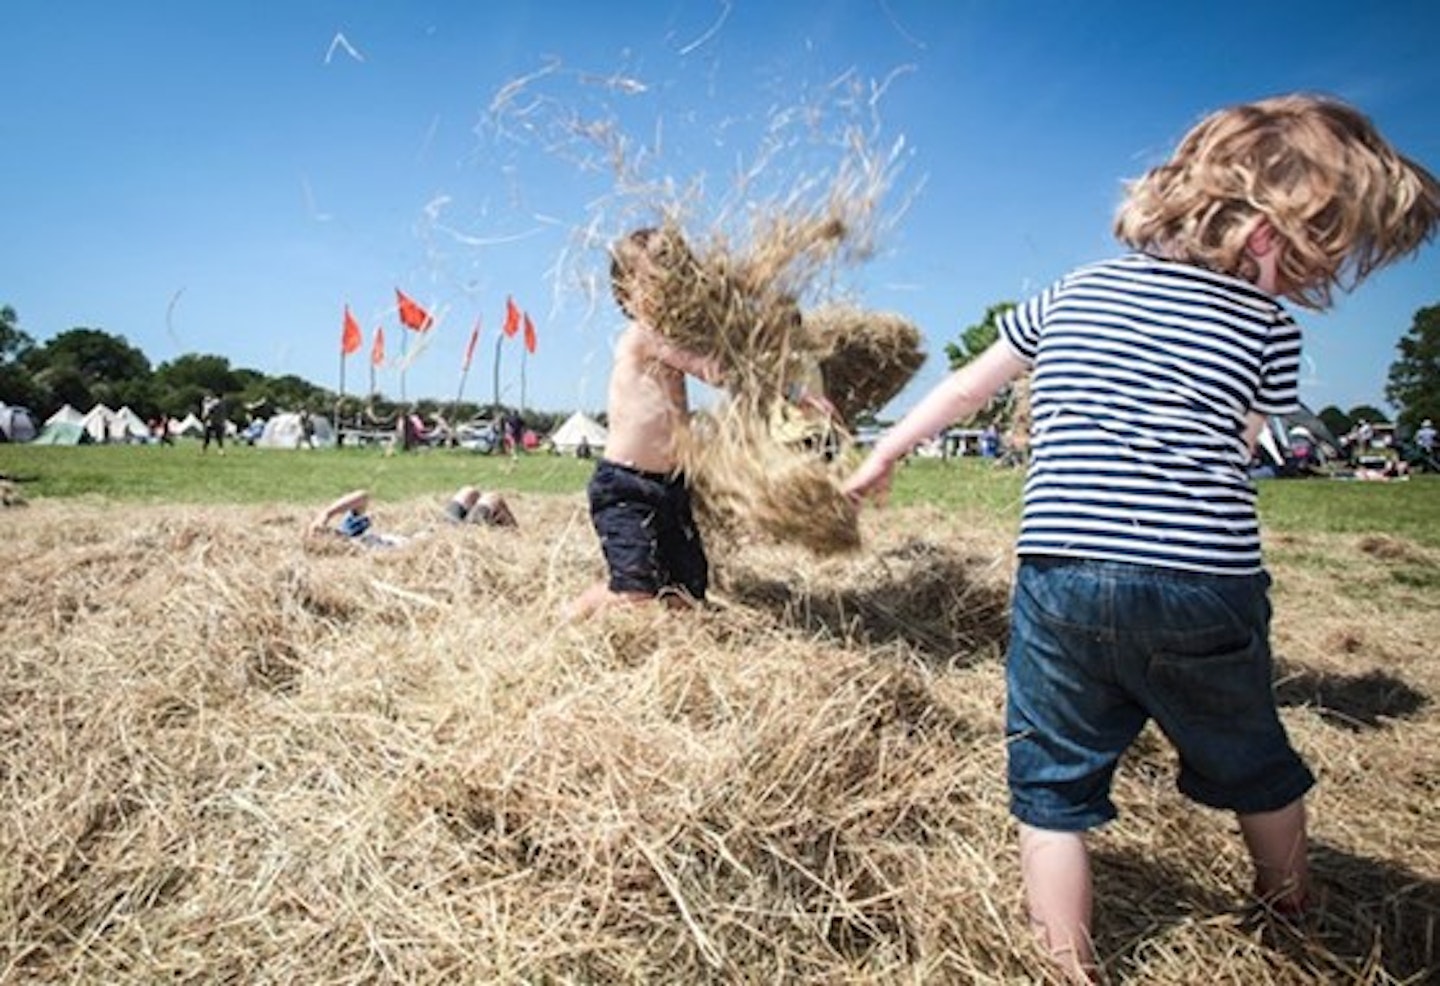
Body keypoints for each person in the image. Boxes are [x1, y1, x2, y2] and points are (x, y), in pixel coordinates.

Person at [842, 93, 1440, 982]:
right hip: (1204, 583)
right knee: (1252, 755)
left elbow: (969, 387)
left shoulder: (1077, 288)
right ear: (1268, 238)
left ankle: (1066, 966)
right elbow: (1242, 444)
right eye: (1317, 250)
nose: (1314, 279)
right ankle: (1288, 905)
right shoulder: (1266, 326)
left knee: (1049, 789)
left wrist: (882, 453)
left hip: (1064, 575)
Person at [568, 226, 726, 620]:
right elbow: (713, 371)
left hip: (672, 487)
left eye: (676, 278)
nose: (667, 288)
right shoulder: (644, 336)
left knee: (686, 595)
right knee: (636, 591)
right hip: (626, 487)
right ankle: (575, 612)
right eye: (653, 280)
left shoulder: (670, 339)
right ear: (626, 292)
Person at [308, 486, 518, 548]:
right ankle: (519, 543)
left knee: (468, 491)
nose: (328, 533)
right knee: (493, 499)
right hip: (446, 545)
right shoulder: (353, 552)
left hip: (434, 531)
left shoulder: (348, 533)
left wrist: (325, 514)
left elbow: (363, 496)